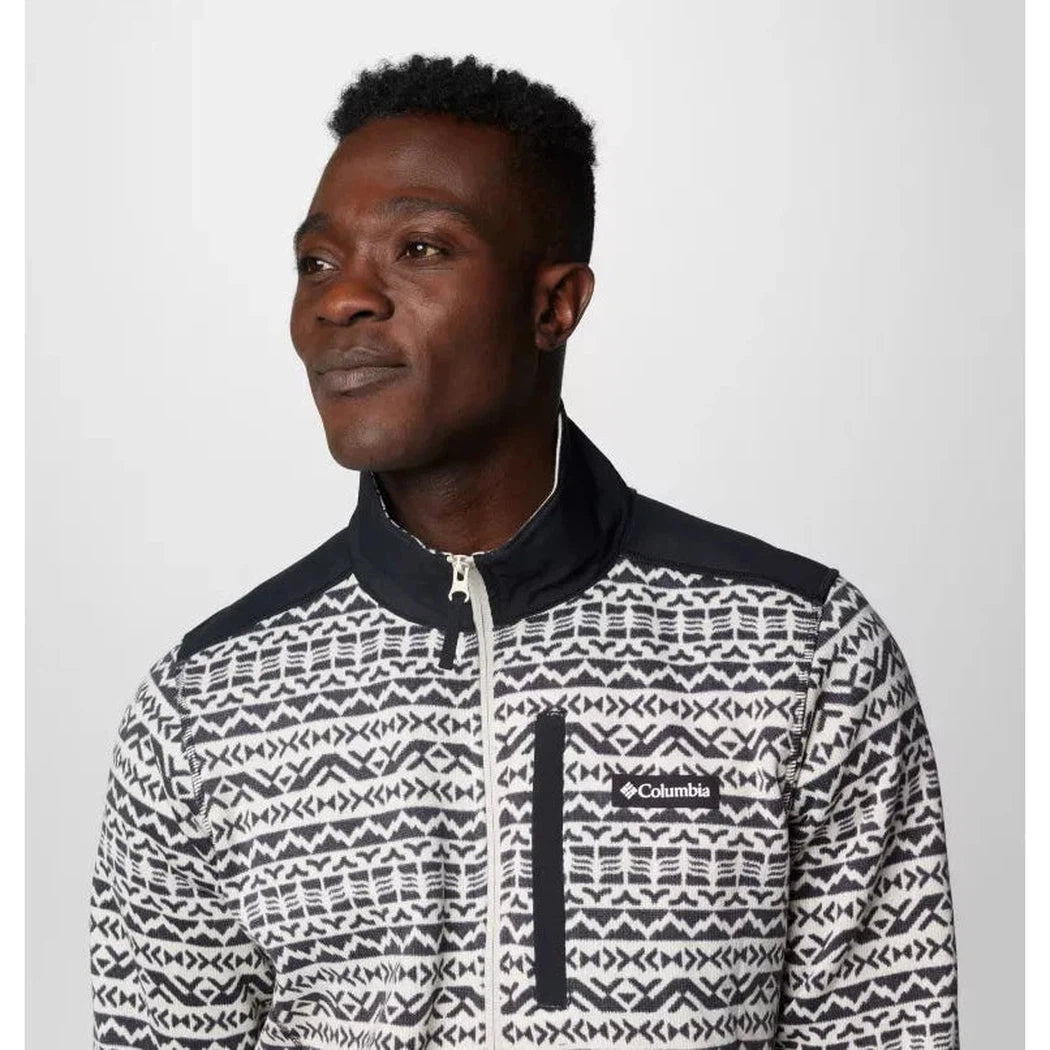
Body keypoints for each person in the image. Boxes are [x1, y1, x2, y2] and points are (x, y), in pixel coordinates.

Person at [89, 53, 960, 1050]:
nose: (341, 300)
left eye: (419, 247)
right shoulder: (204, 708)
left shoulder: (805, 653)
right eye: (317, 263)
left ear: (555, 306)